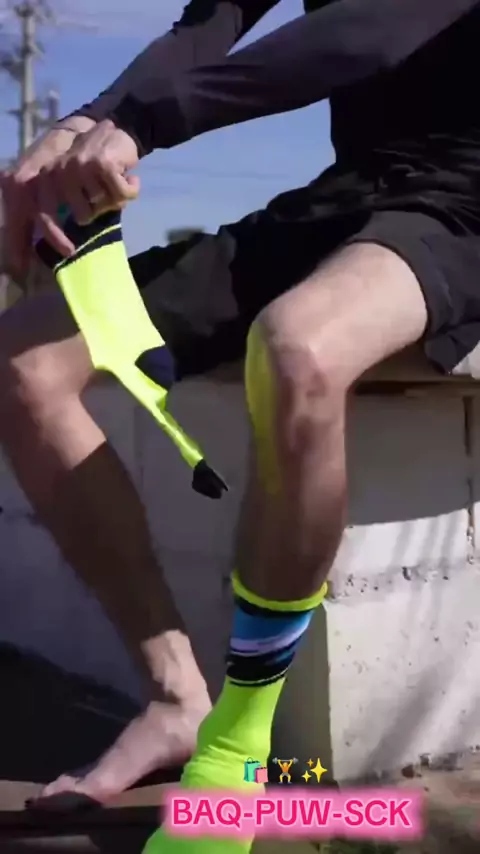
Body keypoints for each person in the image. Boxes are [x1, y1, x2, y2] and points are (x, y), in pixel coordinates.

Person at [1, 0, 480, 832]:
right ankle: (176, 696)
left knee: (298, 350)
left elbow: (370, 32)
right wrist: (84, 122)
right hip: (348, 193)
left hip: (464, 200)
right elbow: (207, 26)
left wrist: (138, 123)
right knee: (25, 356)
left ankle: (237, 741)